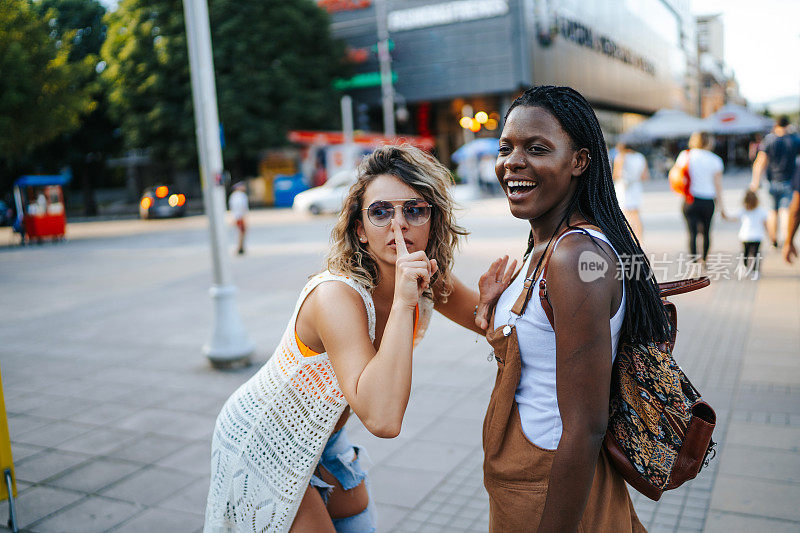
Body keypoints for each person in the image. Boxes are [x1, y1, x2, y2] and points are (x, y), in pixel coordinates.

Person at [205, 145, 515, 533]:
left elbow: (485, 323)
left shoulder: (427, 277)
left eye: (415, 210)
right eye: (381, 211)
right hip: (264, 438)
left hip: (325, 437)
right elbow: (383, 419)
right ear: (360, 230)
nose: (398, 224)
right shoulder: (337, 296)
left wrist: (489, 304)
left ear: (432, 222)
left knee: (359, 522)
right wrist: (403, 302)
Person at [482, 85, 671, 531]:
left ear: (579, 161)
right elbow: (546, 352)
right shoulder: (546, 244)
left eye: (537, 148)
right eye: (506, 147)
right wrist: (493, 311)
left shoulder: (571, 257)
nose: (513, 162)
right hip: (528, 482)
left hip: (551, 489)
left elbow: (586, 427)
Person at [670, 131, 727, 266]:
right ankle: (705, 261)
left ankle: (694, 262)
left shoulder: (685, 155)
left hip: (690, 199)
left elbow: (676, 175)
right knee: (706, 232)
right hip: (708, 201)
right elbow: (718, 186)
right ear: (709, 142)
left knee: (692, 233)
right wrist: (722, 207)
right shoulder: (715, 160)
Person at [750, 115, 800, 248]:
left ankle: (773, 240)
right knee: (785, 211)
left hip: (770, 181)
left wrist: (755, 182)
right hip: (789, 181)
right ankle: (786, 240)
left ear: (776, 125)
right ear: (787, 125)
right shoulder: (795, 140)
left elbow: (760, 162)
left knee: (772, 212)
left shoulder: (769, 140)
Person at [612, 141, 649, 240]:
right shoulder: (640, 157)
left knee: (624, 216)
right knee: (636, 215)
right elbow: (645, 176)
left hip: (623, 188)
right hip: (636, 187)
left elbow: (616, 174)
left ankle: (629, 239)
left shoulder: (621, 157)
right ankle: (640, 239)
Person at [736, 190, 768, 277]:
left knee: (745, 254)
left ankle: (745, 268)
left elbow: (734, 218)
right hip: (757, 236)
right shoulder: (761, 210)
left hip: (745, 236)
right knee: (756, 254)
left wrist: (724, 215)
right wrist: (769, 234)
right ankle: (755, 270)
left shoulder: (743, 210)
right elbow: (765, 224)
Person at [228, 182, 249, 255]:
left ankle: (241, 247)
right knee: (241, 232)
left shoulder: (234, 196)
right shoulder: (240, 196)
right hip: (239, 216)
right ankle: (240, 247)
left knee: (241, 232)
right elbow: (241, 207)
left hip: (238, 216)